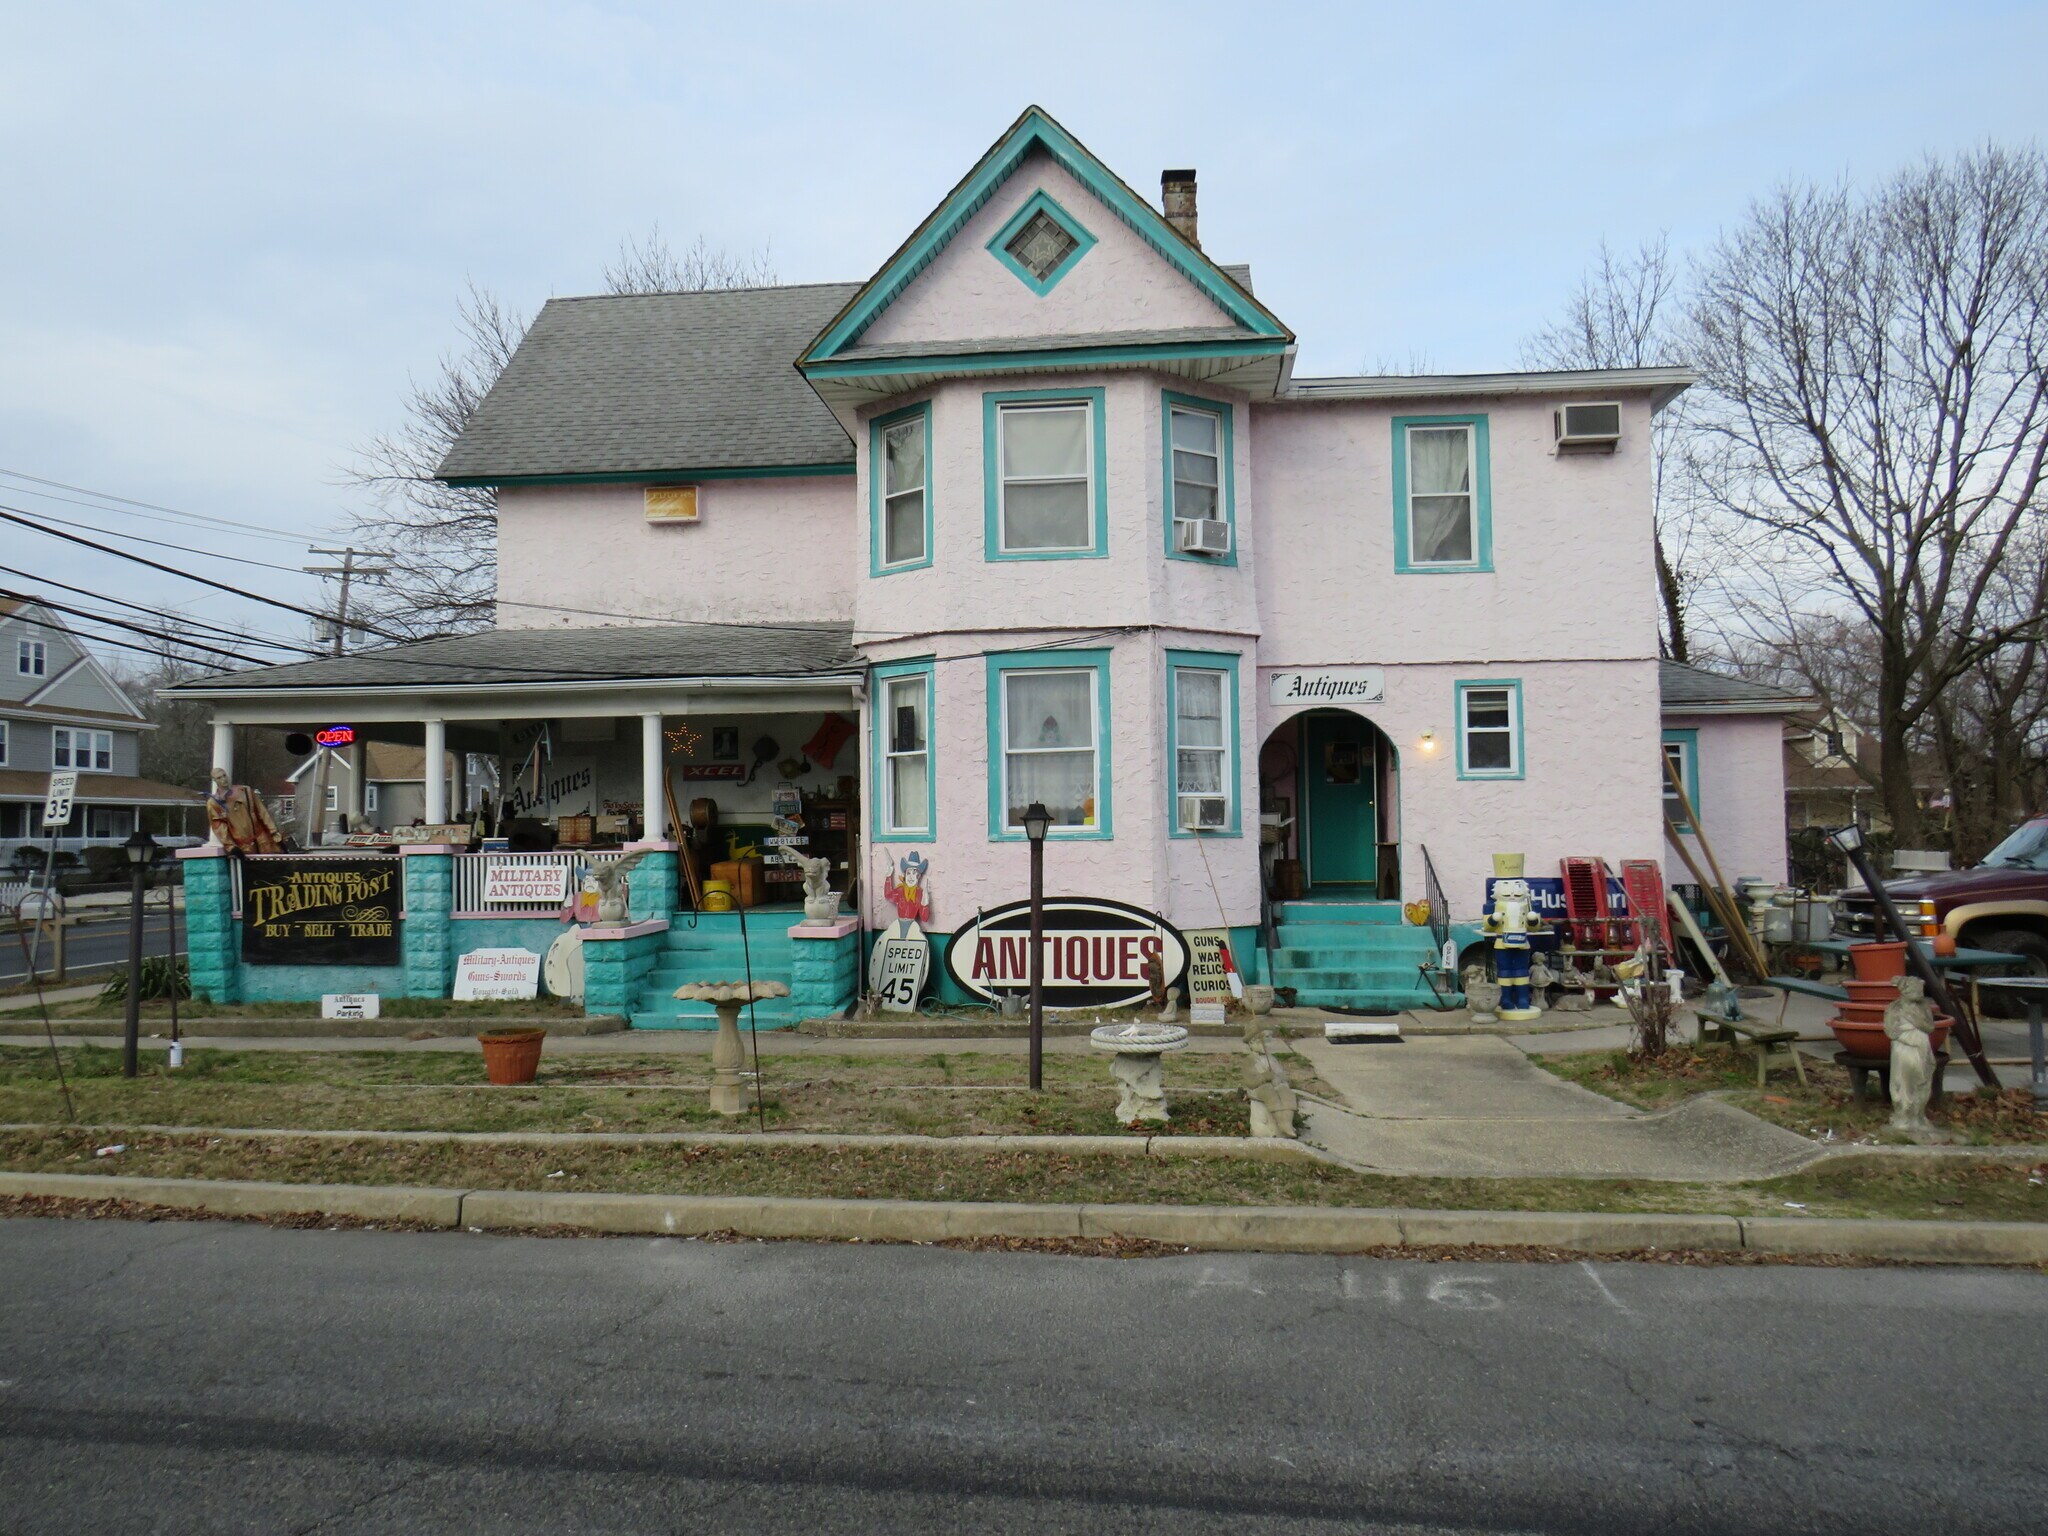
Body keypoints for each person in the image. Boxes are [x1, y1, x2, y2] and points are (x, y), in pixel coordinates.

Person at [204, 768, 284, 854]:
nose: (223, 779)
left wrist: (273, 831)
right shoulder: (214, 803)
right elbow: (219, 826)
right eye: (219, 778)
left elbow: (262, 811)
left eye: (224, 776)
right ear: (214, 780)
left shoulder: (245, 791)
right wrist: (231, 846)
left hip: (263, 840)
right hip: (243, 846)